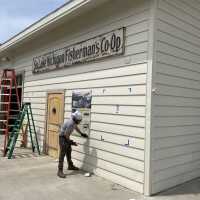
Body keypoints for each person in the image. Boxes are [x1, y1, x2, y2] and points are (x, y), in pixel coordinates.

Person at [57, 110, 88, 178]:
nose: (79, 122)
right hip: (62, 137)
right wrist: (71, 142)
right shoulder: (71, 123)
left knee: (69, 151)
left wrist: (81, 134)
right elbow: (66, 135)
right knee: (62, 154)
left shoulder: (73, 122)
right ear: (76, 119)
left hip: (65, 137)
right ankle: (59, 171)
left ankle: (70, 166)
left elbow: (75, 127)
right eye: (79, 120)